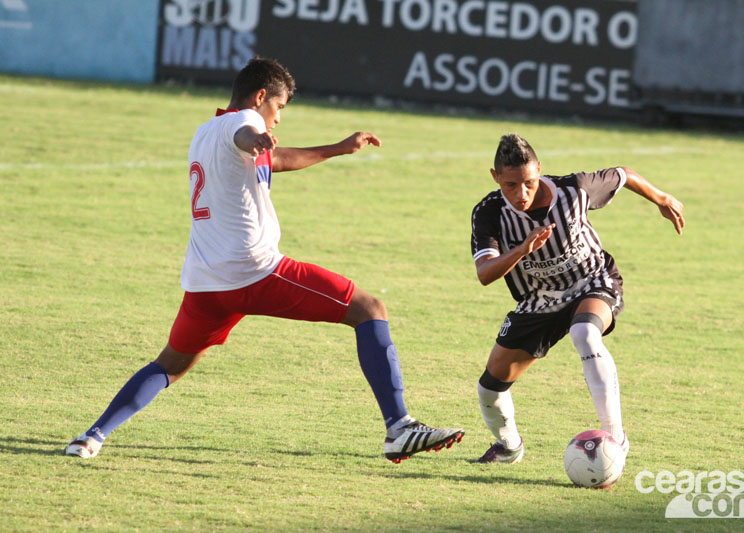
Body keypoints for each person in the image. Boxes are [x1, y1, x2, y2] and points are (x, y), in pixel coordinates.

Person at [65, 57, 464, 463]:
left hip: (205, 283)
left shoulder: (204, 132)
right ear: (260, 97)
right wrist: (254, 139)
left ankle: (91, 436)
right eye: (279, 108)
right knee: (369, 309)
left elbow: (276, 158)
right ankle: (399, 427)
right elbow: (247, 135)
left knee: (170, 365)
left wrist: (338, 148)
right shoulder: (245, 126)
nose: (277, 120)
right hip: (255, 272)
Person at [470, 134, 684, 463]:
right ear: (495, 177)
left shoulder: (575, 189)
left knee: (584, 332)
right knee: (489, 388)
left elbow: (623, 174)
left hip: (592, 281)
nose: (521, 193)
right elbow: (485, 273)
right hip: (540, 299)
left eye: (528, 182)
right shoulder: (489, 212)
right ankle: (509, 447)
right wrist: (522, 249)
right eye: (510, 185)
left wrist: (661, 197)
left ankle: (615, 437)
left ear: (540, 170)